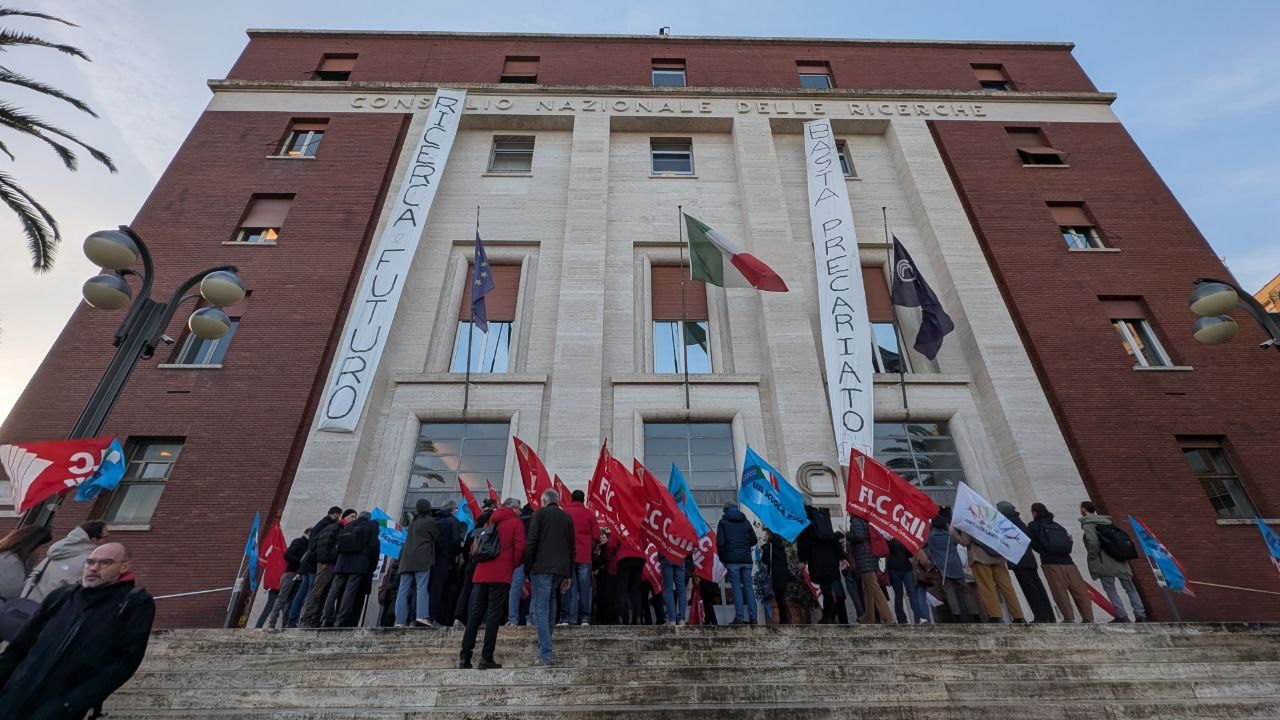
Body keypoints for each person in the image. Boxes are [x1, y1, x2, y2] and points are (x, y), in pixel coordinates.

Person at [0, 542, 154, 719]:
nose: (94, 568)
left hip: (59, 705)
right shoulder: (62, 596)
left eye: (105, 563)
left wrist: (72, 703)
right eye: (90, 562)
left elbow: (124, 663)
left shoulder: (134, 604)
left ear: (124, 567)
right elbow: (21, 645)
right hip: (16, 693)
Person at [460, 498, 526, 669]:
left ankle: (465, 656)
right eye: (519, 508)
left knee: (475, 614)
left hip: (482, 570)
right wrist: (513, 565)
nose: (520, 511)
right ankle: (486, 657)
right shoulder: (515, 523)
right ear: (513, 508)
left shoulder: (490, 519)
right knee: (494, 615)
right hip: (501, 572)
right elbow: (520, 548)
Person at [522, 489, 575, 666]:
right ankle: (546, 645)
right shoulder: (566, 518)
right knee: (550, 607)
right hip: (560, 570)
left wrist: (527, 567)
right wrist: (568, 574)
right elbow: (572, 548)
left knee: (541, 610)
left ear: (544, 501)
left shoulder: (539, 514)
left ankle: (545, 654)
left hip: (541, 568)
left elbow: (531, 542)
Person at [1079, 501, 1146, 623]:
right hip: (1120, 560)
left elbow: (1093, 542)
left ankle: (1122, 615)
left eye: (1081, 508)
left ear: (1084, 509)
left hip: (1104, 562)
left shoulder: (1088, 524)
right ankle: (1140, 614)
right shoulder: (1108, 522)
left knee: (1111, 589)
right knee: (1130, 588)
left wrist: (1092, 556)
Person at [1028, 502, 1093, 623]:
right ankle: (1088, 618)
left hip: (1050, 563)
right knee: (1080, 591)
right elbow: (1068, 540)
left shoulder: (1033, 526)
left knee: (1059, 591)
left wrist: (1042, 550)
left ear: (1034, 512)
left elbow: (1032, 543)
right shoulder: (1057, 525)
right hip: (1069, 562)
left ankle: (1068, 618)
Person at [996, 501, 1055, 623]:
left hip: (1019, 561)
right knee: (1039, 588)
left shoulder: (1006, 523)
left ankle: (1040, 617)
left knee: (1030, 590)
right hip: (1029, 560)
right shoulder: (1019, 521)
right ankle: (1049, 616)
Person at [24, 520, 108, 603]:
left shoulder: (57, 551)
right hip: (51, 607)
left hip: (28, 601)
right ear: (94, 540)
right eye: (105, 537)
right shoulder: (90, 561)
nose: (106, 541)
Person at [323, 510, 379, 627]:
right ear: (368, 519)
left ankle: (326, 617)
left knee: (334, 590)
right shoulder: (370, 527)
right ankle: (340, 619)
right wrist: (370, 566)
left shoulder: (349, 526)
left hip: (342, 563)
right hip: (358, 564)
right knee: (349, 592)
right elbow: (373, 546)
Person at [298, 508, 353, 628]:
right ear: (344, 516)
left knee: (325, 593)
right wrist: (326, 560)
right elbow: (324, 544)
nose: (353, 519)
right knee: (317, 592)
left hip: (332, 564)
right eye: (352, 516)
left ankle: (315, 620)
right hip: (327, 564)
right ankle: (305, 619)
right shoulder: (335, 527)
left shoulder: (343, 529)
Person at [921, 510, 979, 623]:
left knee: (950, 593)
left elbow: (930, 551)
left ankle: (957, 616)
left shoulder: (931, 537)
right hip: (956, 566)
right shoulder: (949, 535)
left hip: (943, 568)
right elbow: (957, 543)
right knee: (965, 592)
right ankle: (974, 614)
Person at [955, 529, 1025, 623]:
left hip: (979, 556)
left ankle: (996, 616)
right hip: (996, 554)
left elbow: (966, 541)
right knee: (1007, 586)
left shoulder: (968, 521)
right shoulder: (990, 519)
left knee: (987, 586)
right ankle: (1019, 616)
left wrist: (956, 536)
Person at [255, 527, 310, 629]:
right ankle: (272, 623)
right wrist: (300, 562)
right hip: (291, 574)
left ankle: (286, 623)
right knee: (282, 598)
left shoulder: (307, 545)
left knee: (291, 600)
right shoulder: (299, 542)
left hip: (298, 575)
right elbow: (288, 555)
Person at [396, 498, 437, 627]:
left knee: (402, 590)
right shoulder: (429, 522)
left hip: (406, 561)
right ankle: (422, 616)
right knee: (421, 587)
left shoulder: (413, 523)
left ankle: (399, 621)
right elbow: (438, 536)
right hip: (422, 559)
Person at [797, 505, 842, 623]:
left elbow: (803, 543)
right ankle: (829, 614)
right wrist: (840, 557)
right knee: (827, 587)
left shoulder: (808, 526)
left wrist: (802, 559)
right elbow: (835, 541)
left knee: (825, 588)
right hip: (830, 561)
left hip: (818, 561)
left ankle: (829, 616)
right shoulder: (825, 524)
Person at [716, 502, 758, 625]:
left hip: (732, 560)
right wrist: (744, 546)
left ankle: (739, 617)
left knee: (736, 588)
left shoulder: (723, 523)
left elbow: (720, 543)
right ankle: (754, 618)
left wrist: (723, 559)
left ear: (725, 510)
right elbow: (754, 540)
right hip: (746, 560)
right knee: (748, 587)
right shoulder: (746, 522)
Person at [846, 515, 893, 624]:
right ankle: (869, 616)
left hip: (865, 559)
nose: (847, 512)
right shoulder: (864, 521)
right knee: (867, 588)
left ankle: (887, 616)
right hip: (868, 558)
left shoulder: (856, 521)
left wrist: (847, 535)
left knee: (873, 586)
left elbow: (859, 536)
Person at [562, 490, 599, 626]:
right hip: (584, 555)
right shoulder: (589, 514)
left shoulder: (565, 512)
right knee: (584, 588)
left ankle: (566, 617)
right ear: (583, 500)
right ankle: (585, 618)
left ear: (572, 499)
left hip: (568, 555)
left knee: (568, 586)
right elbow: (596, 535)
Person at [429, 501, 462, 627]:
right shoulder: (453, 521)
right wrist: (457, 552)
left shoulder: (434, 520)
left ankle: (427, 616)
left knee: (431, 588)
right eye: (456, 509)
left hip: (432, 559)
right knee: (442, 590)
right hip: (446, 559)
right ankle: (437, 618)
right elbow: (456, 541)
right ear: (452, 510)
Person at [0, 525, 52, 602]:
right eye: (44, 548)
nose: (44, 553)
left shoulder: (8, 557)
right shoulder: (10, 561)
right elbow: (14, 591)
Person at [886, 537, 928, 624]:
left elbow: (886, 552)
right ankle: (918, 618)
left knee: (899, 595)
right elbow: (910, 553)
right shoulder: (904, 536)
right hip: (905, 567)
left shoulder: (888, 537)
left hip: (894, 568)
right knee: (911, 593)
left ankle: (902, 620)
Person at [507, 504, 534, 626]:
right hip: (533, 559)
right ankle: (530, 618)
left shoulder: (517, 521)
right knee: (535, 589)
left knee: (515, 588)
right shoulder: (536, 521)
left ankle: (513, 619)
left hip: (519, 560)